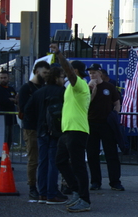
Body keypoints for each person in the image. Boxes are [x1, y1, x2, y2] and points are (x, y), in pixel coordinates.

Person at [51, 43, 92, 213]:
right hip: (68, 130)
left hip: (77, 130)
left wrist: (60, 55)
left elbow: (68, 71)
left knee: (78, 165)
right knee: (60, 161)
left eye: (68, 70)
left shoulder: (80, 84)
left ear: (74, 71)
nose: (65, 74)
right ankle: (77, 191)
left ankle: (84, 199)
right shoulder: (70, 88)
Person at [25, 66, 67, 204]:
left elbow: (27, 109)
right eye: (62, 77)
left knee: (43, 162)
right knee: (53, 162)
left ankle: (42, 193)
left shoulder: (39, 92)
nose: (64, 79)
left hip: (41, 130)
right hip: (55, 130)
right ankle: (51, 193)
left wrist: (36, 124)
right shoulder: (62, 91)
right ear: (56, 78)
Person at [85, 63, 124, 191]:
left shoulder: (109, 87)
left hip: (106, 124)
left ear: (100, 73)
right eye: (90, 73)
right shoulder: (86, 88)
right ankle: (95, 181)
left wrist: (115, 114)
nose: (92, 75)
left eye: (94, 73)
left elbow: (116, 102)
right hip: (91, 123)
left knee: (111, 153)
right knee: (92, 154)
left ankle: (115, 181)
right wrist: (91, 90)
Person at [18, 60, 50, 200]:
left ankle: (45, 186)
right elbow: (24, 108)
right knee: (33, 159)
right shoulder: (27, 88)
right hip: (31, 127)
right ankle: (32, 186)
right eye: (44, 73)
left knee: (45, 159)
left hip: (44, 127)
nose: (46, 76)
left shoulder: (45, 87)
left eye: (48, 73)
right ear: (37, 72)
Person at [0, 70, 17, 151]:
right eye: (1, 78)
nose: (3, 79)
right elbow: (4, 101)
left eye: (5, 78)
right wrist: (11, 100)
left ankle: (6, 157)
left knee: (9, 139)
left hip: (10, 119)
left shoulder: (11, 89)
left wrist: (13, 100)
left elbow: (16, 99)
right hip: (2, 119)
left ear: (8, 78)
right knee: (3, 139)